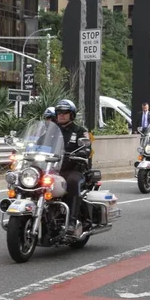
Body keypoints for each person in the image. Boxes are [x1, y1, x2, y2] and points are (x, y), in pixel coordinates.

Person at [54, 99, 91, 237]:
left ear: (72, 114)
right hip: (53, 169)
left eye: (65, 112)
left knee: (72, 182)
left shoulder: (80, 131)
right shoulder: (51, 130)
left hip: (73, 169)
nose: (61, 115)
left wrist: (83, 151)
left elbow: (87, 148)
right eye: (59, 112)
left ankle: (71, 221)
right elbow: (38, 143)